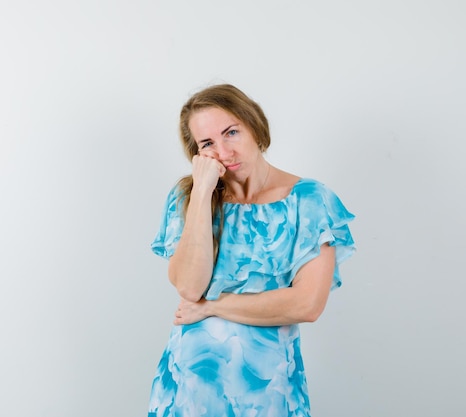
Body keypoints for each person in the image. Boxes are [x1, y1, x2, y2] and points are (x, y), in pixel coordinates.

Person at [147, 84, 356, 416]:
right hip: (188, 391)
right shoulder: (188, 199)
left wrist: (211, 307)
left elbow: (307, 304)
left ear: (254, 126)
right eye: (208, 143)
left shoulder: (309, 201)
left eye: (231, 132)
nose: (224, 151)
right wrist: (201, 191)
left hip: (269, 393)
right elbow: (189, 286)